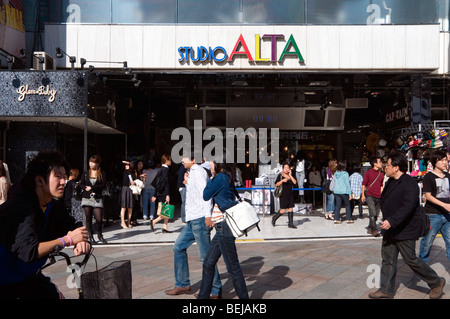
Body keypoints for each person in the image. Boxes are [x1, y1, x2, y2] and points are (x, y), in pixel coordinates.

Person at [0, 150, 90, 299]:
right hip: (5, 281)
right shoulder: (22, 208)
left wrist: (81, 240)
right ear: (40, 180)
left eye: (64, 177)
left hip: (25, 275)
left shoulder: (50, 204)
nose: (63, 182)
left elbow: (72, 224)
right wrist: (66, 240)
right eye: (58, 177)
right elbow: (29, 252)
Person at [368, 151, 445, 299]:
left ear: (396, 167)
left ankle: (436, 282)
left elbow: (408, 206)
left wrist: (392, 221)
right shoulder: (390, 181)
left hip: (404, 228)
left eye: (388, 165)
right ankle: (386, 290)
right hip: (391, 228)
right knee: (388, 259)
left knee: (411, 260)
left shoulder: (410, 183)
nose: (385, 167)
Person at [165, 152, 222, 297]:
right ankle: (183, 284)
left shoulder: (198, 173)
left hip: (200, 219)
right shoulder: (191, 173)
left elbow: (206, 195)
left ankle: (215, 289)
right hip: (192, 220)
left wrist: (208, 216)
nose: (182, 161)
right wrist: (186, 183)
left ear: (193, 159)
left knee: (206, 257)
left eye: (184, 158)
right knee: (178, 247)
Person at [197, 156, 249, 299]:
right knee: (208, 263)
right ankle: (203, 297)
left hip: (224, 226)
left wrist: (211, 177)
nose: (209, 164)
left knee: (233, 268)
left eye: (211, 162)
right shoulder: (226, 177)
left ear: (218, 163)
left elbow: (206, 195)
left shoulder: (219, 178)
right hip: (221, 227)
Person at [418, 149, 450, 263]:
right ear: (435, 162)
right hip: (433, 214)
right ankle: (422, 266)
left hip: (447, 215)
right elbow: (428, 196)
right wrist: (444, 205)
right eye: (442, 160)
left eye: (446, 160)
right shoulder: (428, 177)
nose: (445, 162)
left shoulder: (448, 176)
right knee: (427, 242)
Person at [80, 155, 107, 244]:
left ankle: (100, 234)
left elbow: (103, 185)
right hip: (87, 197)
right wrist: (85, 188)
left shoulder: (101, 173)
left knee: (99, 218)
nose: (91, 164)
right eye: (90, 162)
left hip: (97, 198)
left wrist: (92, 187)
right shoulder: (85, 173)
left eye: (93, 162)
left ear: (97, 163)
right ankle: (90, 236)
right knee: (88, 218)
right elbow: (81, 184)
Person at [361, 156, 384, 237]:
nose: (381, 163)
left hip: (378, 196)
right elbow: (363, 184)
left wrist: (382, 194)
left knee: (375, 215)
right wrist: (363, 195)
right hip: (370, 195)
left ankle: (370, 228)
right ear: (375, 164)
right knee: (373, 213)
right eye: (379, 162)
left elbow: (381, 185)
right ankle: (374, 230)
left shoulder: (381, 174)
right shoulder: (368, 173)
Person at [272, 163, 298, 229]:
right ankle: (274, 218)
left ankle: (290, 223)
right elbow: (276, 184)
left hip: (290, 194)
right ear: (283, 168)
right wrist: (282, 181)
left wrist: (290, 175)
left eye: (287, 168)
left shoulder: (291, 175)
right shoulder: (280, 175)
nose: (286, 169)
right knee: (283, 210)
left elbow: (295, 182)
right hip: (283, 195)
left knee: (290, 208)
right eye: (285, 168)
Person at [151, 154, 172, 233]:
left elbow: (157, 183)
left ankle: (165, 226)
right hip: (164, 193)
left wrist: (155, 194)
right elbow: (166, 183)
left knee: (165, 209)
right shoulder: (165, 170)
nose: (170, 162)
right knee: (165, 210)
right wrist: (167, 194)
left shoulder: (160, 170)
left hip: (160, 193)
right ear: (166, 161)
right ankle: (154, 221)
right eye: (169, 160)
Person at [120, 161, 136, 229]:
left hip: (131, 189)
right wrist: (125, 162)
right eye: (125, 165)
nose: (126, 166)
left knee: (130, 207)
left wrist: (134, 183)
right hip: (125, 189)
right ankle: (122, 222)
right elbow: (119, 166)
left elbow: (134, 180)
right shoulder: (124, 172)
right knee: (124, 207)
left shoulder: (132, 173)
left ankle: (129, 222)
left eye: (127, 165)